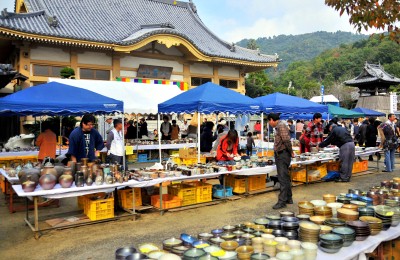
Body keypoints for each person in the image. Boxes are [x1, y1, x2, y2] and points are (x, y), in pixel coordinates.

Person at [267, 113, 294, 210]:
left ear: (271, 120)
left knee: (282, 178)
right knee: (285, 177)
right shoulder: (280, 126)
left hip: (283, 154)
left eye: (269, 122)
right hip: (282, 154)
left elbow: (286, 140)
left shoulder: (281, 126)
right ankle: (289, 198)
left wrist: (291, 151)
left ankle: (282, 201)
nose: (270, 124)